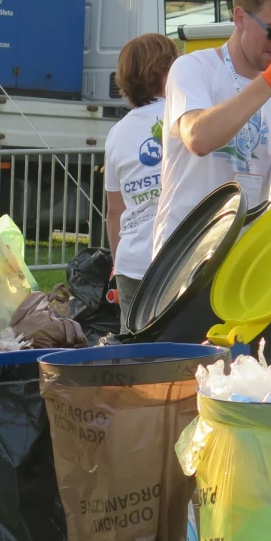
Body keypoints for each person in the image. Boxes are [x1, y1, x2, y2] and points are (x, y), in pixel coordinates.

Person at [151, 0, 271, 363]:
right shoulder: (193, 69)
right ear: (240, 16)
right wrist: (267, 82)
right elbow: (198, 138)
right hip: (189, 259)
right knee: (182, 383)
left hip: (249, 260)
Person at [105, 33, 178, 333]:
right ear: (167, 72)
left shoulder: (117, 133)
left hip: (131, 262)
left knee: (133, 358)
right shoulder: (184, 116)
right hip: (177, 257)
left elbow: (114, 212)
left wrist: (116, 265)